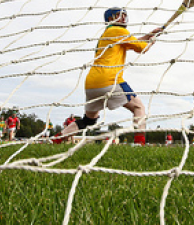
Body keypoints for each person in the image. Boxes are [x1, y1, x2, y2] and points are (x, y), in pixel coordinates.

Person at [59, 7, 162, 146]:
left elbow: (132, 43)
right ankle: (140, 144)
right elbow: (141, 48)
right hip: (109, 80)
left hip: (92, 83)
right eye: (120, 15)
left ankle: (57, 139)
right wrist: (151, 41)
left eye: (125, 15)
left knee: (88, 121)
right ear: (110, 19)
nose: (124, 18)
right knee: (138, 107)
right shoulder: (118, 30)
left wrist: (149, 35)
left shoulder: (109, 32)